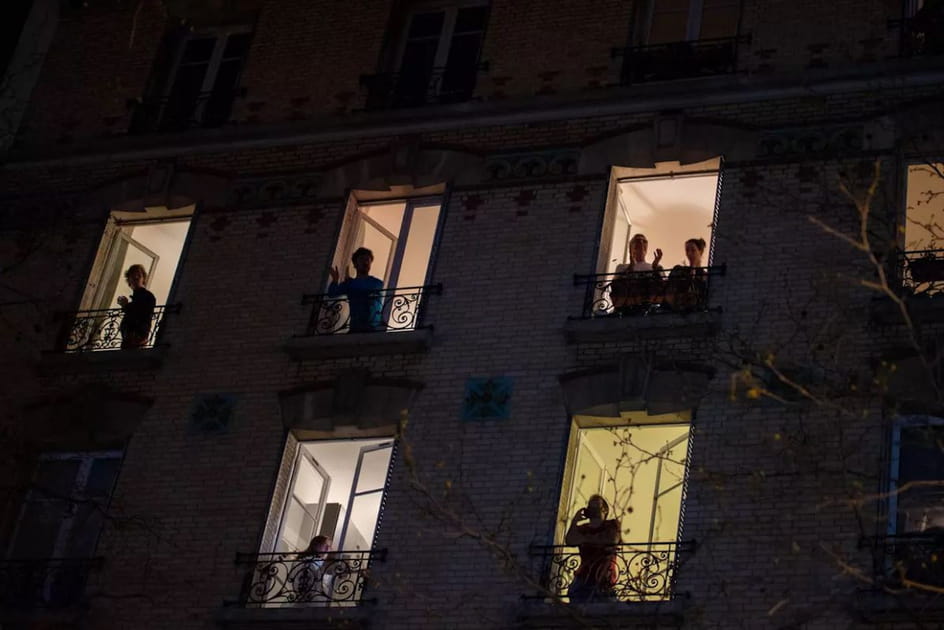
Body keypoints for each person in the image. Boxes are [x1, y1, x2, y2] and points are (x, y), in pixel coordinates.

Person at [565, 495, 621, 603]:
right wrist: (574, 521)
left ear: (604, 509)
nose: (593, 509)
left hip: (604, 578)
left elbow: (612, 540)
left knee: (607, 609)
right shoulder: (583, 528)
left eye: (596, 506)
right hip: (583, 578)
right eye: (590, 506)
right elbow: (570, 541)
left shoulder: (611, 525)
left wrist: (584, 539)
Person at [327, 247, 384, 332]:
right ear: (355, 264)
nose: (365, 262)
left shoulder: (377, 283)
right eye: (362, 259)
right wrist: (335, 280)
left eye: (367, 260)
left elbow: (368, 289)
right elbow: (332, 294)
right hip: (356, 327)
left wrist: (351, 283)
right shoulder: (350, 283)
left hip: (373, 328)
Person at [609, 234, 664, 314]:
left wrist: (655, 267)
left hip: (650, 309)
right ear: (631, 247)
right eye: (637, 241)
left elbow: (663, 287)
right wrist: (630, 267)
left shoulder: (656, 266)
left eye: (644, 241)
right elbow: (615, 286)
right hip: (626, 309)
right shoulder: (622, 267)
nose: (641, 243)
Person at [117, 264, 156, 349]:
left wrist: (126, 306)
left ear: (143, 278)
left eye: (139, 275)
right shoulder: (138, 296)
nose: (136, 277)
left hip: (137, 338)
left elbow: (140, 313)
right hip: (130, 338)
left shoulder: (147, 296)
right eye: (133, 276)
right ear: (129, 281)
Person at [664, 238, 708, 312]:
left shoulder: (705, 275)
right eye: (687, 250)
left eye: (693, 250)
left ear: (700, 252)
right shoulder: (679, 270)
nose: (689, 253)